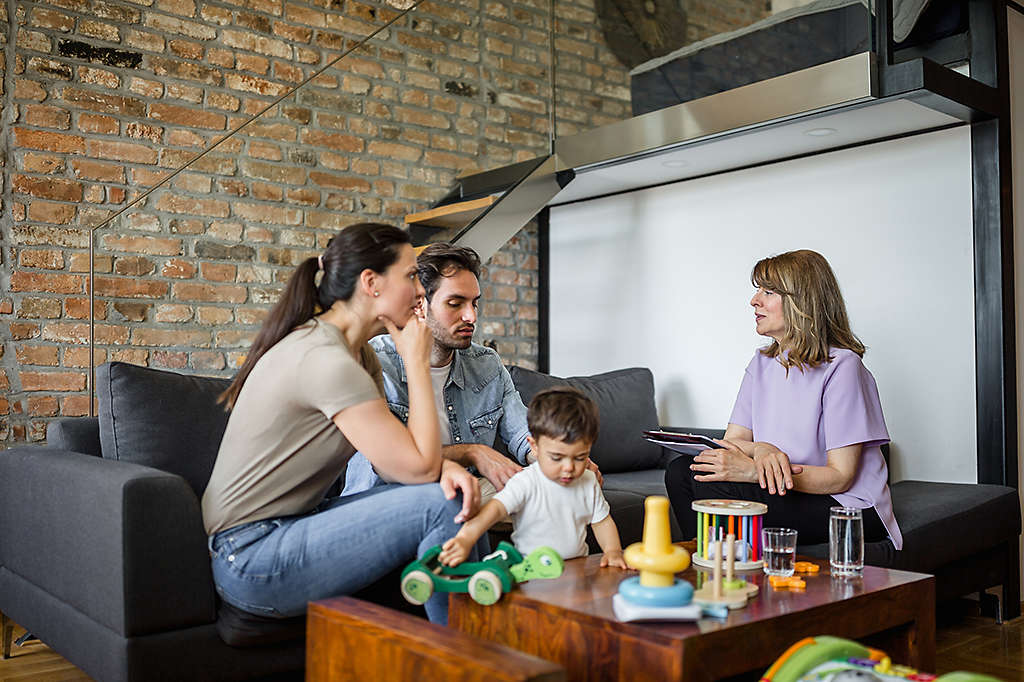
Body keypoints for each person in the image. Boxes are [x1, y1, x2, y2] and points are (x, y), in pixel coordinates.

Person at [201, 223, 479, 625]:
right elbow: (418, 468)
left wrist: (448, 468)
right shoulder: (324, 359)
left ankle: (486, 641)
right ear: (371, 283)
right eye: (411, 276)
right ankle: (467, 660)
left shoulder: (359, 357)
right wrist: (415, 363)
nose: (420, 291)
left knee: (458, 495)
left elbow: (394, 464)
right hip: (249, 556)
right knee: (445, 505)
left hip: (292, 527)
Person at [665, 249, 902, 549]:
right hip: (789, 490)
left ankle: (727, 567)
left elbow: (840, 477)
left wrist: (753, 472)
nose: (754, 301)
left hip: (849, 505)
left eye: (768, 291)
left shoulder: (843, 367)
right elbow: (732, 442)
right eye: (757, 291)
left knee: (721, 488)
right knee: (684, 471)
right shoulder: (761, 363)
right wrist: (763, 449)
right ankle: (711, 561)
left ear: (802, 301)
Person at [344, 242, 601, 500]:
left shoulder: (486, 364)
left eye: (474, 304)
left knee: (561, 492)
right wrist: (473, 452)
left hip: (465, 490)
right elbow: (391, 461)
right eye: (455, 303)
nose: (471, 317)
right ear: (419, 305)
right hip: (385, 497)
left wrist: (562, 461)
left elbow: (524, 435)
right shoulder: (375, 363)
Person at [439, 387, 628, 569]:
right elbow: (494, 510)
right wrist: (466, 538)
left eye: (580, 457)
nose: (569, 468)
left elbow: (602, 521)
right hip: (530, 570)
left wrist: (613, 551)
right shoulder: (526, 482)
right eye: (557, 458)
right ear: (534, 447)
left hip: (575, 568)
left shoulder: (588, 481)